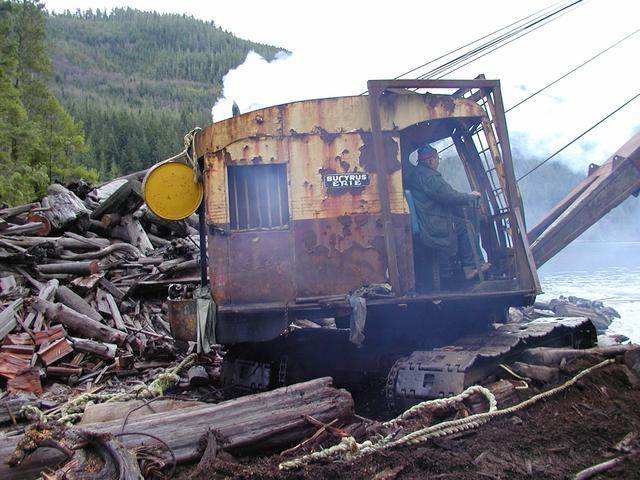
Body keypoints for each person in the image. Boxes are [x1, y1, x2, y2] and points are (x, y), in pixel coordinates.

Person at [405, 144, 489, 281]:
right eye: (437, 159)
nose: (438, 162)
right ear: (431, 160)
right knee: (466, 226)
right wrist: (470, 197)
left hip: (425, 220)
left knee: (460, 223)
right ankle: (471, 266)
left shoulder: (414, 174)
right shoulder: (430, 176)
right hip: (433, 224)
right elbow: (448, 196)